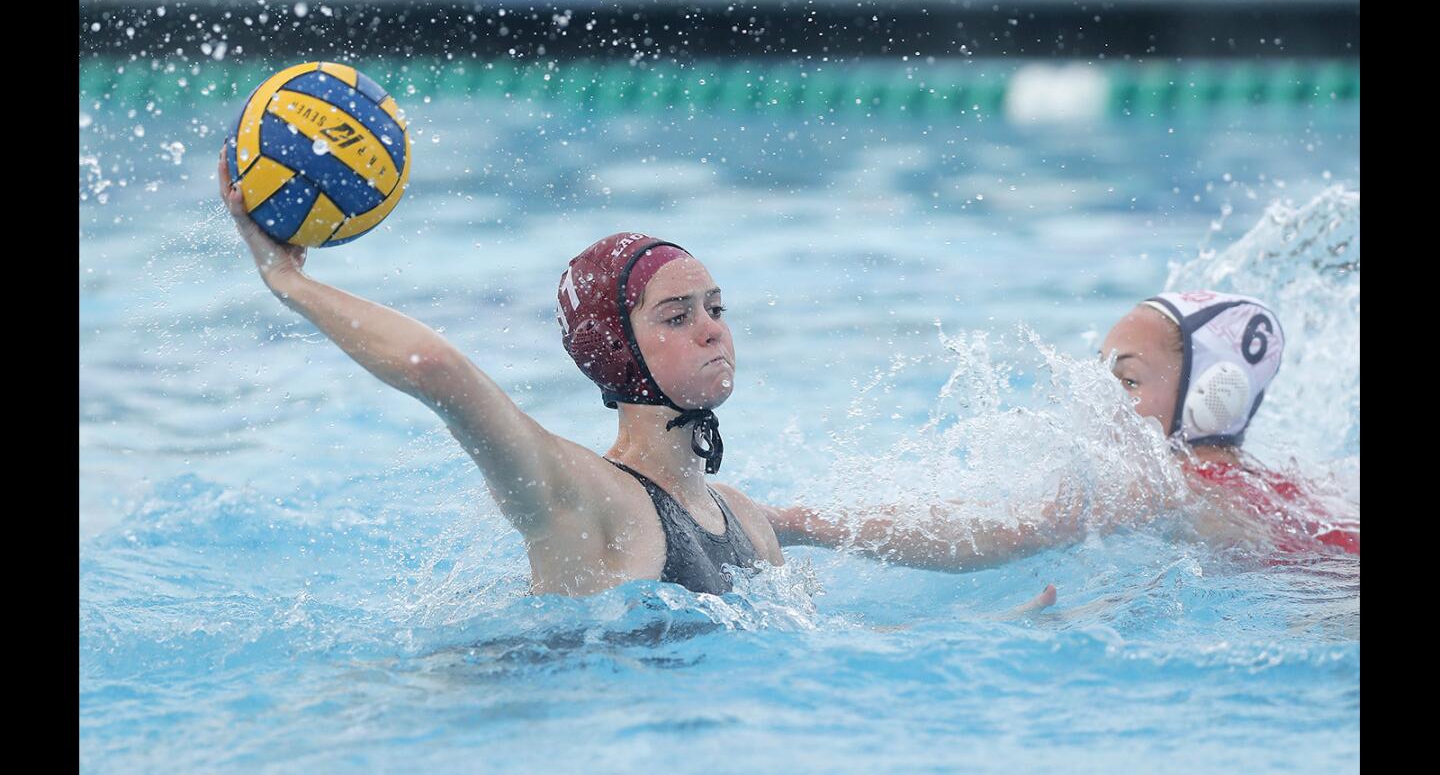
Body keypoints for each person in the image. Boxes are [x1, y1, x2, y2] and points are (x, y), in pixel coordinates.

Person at [220, 146, 784, 597]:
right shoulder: (587, 498)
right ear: (618, 350)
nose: (711, 329)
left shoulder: (744, 519)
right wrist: (289, 282)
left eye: (715, 308)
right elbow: (433, 367)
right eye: (676, 316)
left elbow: (860, 530)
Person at [765, 291, 1359, 568]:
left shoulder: (1166, 484)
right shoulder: (1263, 484)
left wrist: (796, 524)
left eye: (1126, 380)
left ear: (1209, 400)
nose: (1100, 394)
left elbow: (999, 535)